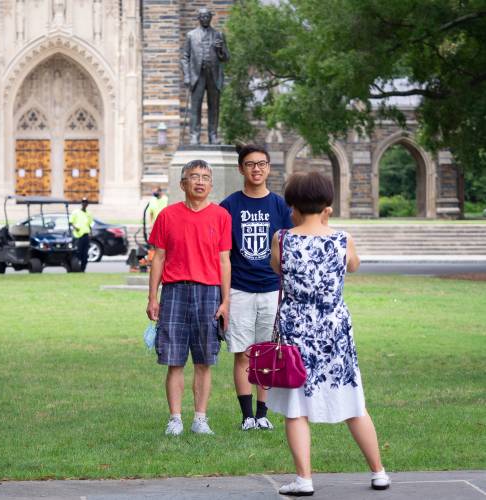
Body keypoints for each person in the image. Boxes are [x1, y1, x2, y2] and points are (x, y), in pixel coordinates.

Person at [268, 172, 390, 496]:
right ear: (327, 204)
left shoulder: (283, 238)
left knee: (296, 407)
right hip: (334, 328)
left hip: (297, 329)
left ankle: (304, 479)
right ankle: (379, 472)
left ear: (291, 204)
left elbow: (276, 268)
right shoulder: (342, 238)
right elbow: (354, 265)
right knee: (353, 402)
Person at [147, 159, 232, 436]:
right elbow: (158, 258)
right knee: (174, 359)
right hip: (174, 292)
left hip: (208, 292)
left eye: (205, 177)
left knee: (205, 360)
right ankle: (175, 418)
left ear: (210, 184)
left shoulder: (221, 217)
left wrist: (225, 300)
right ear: (182, 184)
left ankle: (200, 418)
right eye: (193, 177)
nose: (199, 182)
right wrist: (153, 297)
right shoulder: (167, 216)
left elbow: (224, 261)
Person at [220, 144, 293, 431]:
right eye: (250, 164)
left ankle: (263, 415)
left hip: (271, 289)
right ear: (241, 168)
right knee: (243, 353)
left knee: (266, 353)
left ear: (269, 168)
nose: (256, 169)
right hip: (240, 288)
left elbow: (287, 249)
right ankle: (246, 416)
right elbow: (223, 254)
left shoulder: (279, 205)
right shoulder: (229, 206)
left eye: (262, 164)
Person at [181, 7, 230, 144]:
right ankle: (194, 136)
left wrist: (220, 50)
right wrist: (187, 76)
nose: (205, 19)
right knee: (195, 107)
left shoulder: (218, 35)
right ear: (198, 18)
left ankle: (213, 135)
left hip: (214, 75)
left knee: (214, 107)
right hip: (197, 74)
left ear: (210, 17)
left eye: (207, 16)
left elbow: (226, 57)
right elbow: (185, 57)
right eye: (202, 17)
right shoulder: (191, 35)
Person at [70, 197, 93, 272]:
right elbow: (71, 222)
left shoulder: (88, 214)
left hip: (86, 235)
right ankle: (75, 267)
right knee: (77, 253)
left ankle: (82, 269)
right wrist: (75, 227)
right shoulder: (76, 212)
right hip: (78, 236)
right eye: (83, 202)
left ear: (87, 204)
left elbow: (90, 224)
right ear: (81, 203)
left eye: (86, 202)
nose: (84, 204)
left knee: (85, 254)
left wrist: (91, 233)